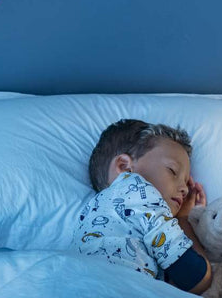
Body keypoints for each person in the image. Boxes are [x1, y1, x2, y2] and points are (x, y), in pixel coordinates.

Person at [73, 119, 212, 293]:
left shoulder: (88, 214)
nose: (185, 189)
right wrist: (184, 220)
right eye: (173, 171)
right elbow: (197, 278)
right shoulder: (137, 189)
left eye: (186, 181)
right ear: (125, 167)